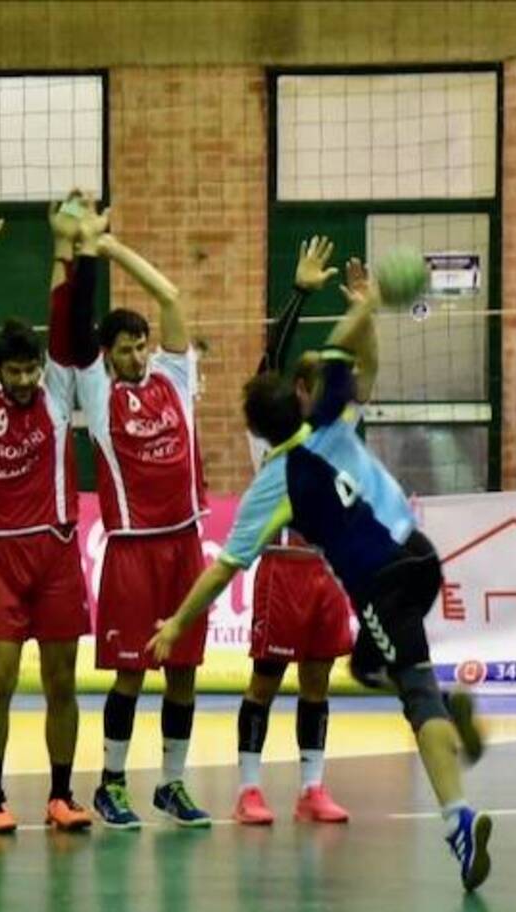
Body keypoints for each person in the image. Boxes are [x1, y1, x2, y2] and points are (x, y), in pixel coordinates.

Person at [146, 269, 494, 891]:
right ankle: (447, 716)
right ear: (300, 403)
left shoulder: (274, 483)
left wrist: (176, 621)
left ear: (255, 432)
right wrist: (371, 304)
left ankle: (457, 821)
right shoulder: (333, 421)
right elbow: (344, 350)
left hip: (380, 583)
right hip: (422, 557)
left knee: (415, 695)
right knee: (366, 667)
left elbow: (222, 570)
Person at [68, 216, 211, 828]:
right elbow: (74, 332)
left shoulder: (174, 378)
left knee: (183, 674)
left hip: (184, 547)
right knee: (131, 674)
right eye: (122, 348)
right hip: (131, 552)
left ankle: (172, 784)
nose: (134, 354)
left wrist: (113, 247)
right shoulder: (99, 394)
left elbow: (173, 297)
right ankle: (111, 782)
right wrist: (81, 259)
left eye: (139, 345)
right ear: (107, 356)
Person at [0, 196, 94, 834]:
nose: (24, 378)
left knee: (62, 679)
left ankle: (62, 794)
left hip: (59, 550)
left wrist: (63, 247)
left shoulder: (57, 386)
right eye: (13, 370)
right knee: (0, 678)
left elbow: (64, 320)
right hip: (2, 555)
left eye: (30, 368)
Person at [233, 237, 354, 827]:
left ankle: (312, 787)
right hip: (281, 570)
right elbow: (271, 359)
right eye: (312, 385)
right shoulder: (269, 431)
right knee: (264, 682)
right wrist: (300, 295)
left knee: (316, 683)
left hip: (323, 574)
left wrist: (362, 308)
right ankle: (250, 789)